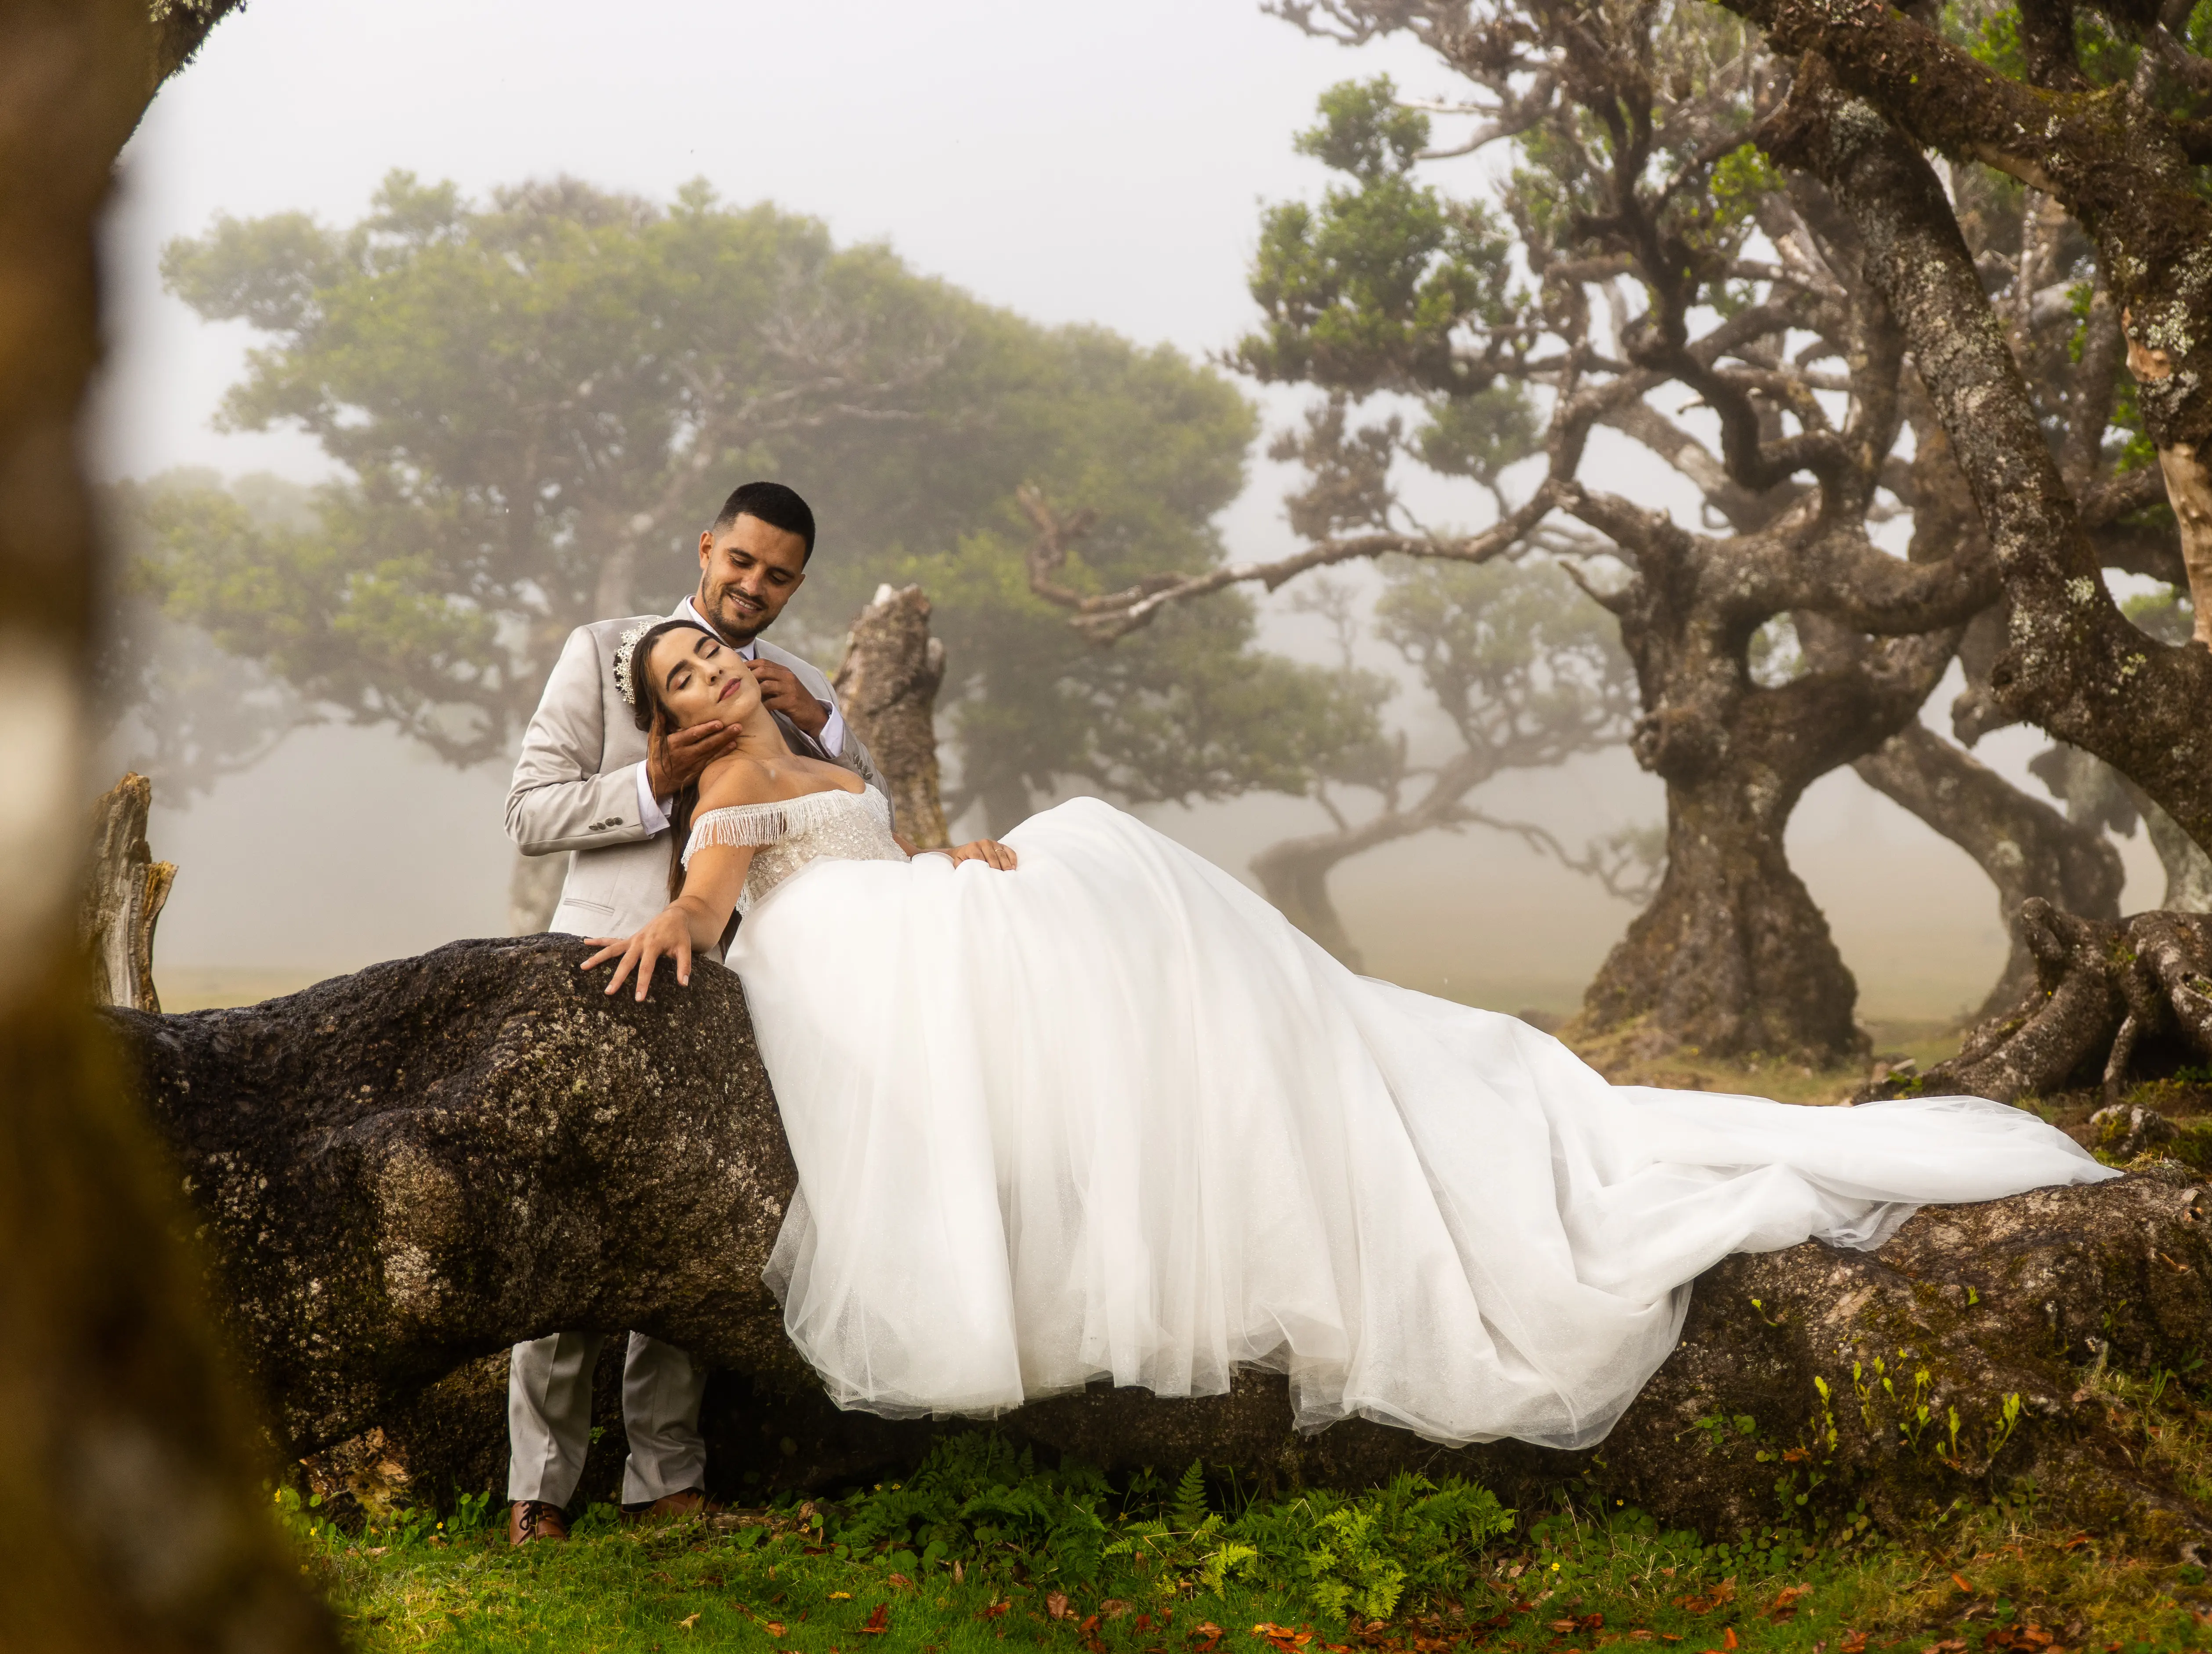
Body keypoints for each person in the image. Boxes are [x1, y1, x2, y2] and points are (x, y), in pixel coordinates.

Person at [584, 621, 2121, 1452]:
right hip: (856, 972)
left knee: (1085, 860)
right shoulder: (728, 787)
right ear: (680, 721)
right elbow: (715, 906)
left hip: (903, 913)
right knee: (1097, 862)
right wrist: (660, 930)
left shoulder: (816, 743)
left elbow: (858, 846)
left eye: (708, 654)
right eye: (679, 680)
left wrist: (947, 864)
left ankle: (1303, 1057)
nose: (708, 674)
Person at [500, 482, 886, 1545]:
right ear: (707, 546)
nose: (752, 588)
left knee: (696, 1217)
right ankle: (539, 1487)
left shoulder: (801, 682)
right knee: (570, 1218)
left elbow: (857, 803)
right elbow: (528, 812)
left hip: (745, 984)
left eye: (777, 576)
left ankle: (667, 1475)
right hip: (603, 962)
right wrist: (652, 778)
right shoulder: (601, 649)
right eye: (740, 562)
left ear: (796, 585)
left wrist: (833, 723)